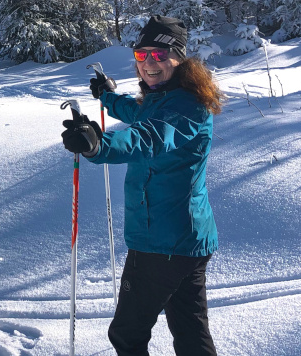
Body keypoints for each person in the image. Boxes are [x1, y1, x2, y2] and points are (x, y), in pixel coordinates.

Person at [61, 15, 223, 356]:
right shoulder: (168, 97)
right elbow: (142, 115)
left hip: (161, 243)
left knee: (126, 334)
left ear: (178, 58)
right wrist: (109, 98)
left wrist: (99, 145)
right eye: (142, 55)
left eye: (160, 55)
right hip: (186, 240)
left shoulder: (185, 107)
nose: (149, 63)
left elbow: (148, 136)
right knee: (190, 331)